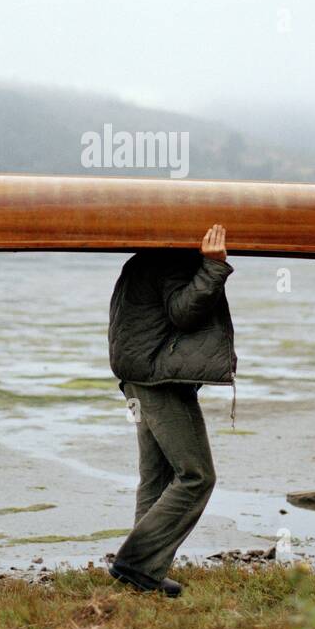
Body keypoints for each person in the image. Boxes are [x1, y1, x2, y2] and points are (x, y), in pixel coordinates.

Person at [106, 223, 236, 597]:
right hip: (158, 381)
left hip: (139, 377)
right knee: (196, 475)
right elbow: (183, 313)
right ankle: (136, 565)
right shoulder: (171, 260)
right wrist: (213, 267)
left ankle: (141, 575)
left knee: (157, 478)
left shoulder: (142, 260)